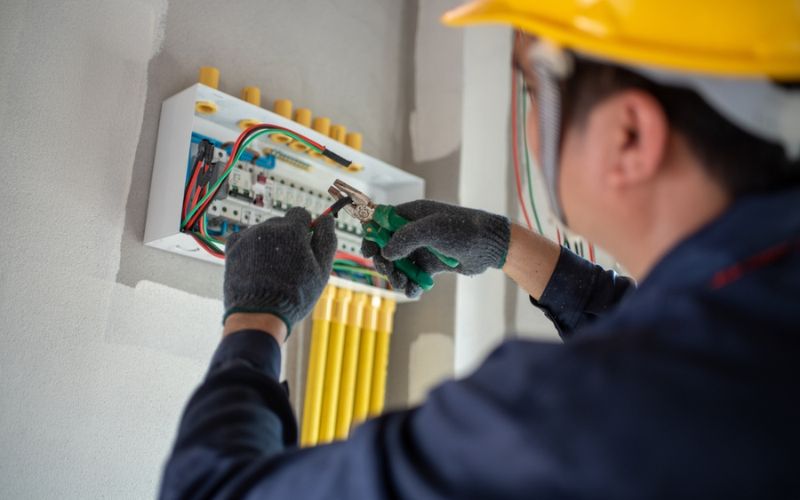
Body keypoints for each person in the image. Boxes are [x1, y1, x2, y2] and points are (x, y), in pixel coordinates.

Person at [160, 0, 800, 497]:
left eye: (533, 90)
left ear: (628, 134)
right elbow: (668, 339)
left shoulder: (564, 418)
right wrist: (503, 245)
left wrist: (255, 320)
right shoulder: (761, 315)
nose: (530, 123)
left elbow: (207, 490)